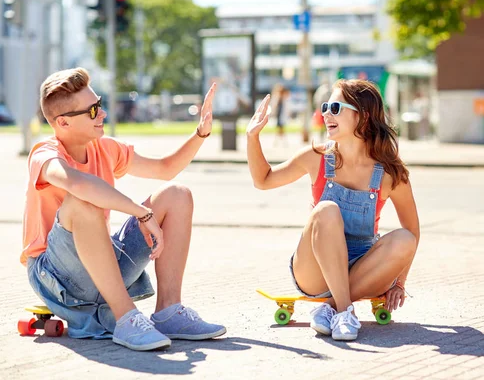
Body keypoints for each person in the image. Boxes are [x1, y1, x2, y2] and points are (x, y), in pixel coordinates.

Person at [22, 67, 226, 351]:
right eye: (92, 110)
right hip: (58, 278)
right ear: (63, 123)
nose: (102, 113)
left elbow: (165, 168)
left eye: (100, 105)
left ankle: (168, 311)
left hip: (102, 268)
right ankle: (126, 318)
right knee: (83, 201)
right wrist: (140, 213)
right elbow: (79, 184)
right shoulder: (45, 154)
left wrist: (200, 134)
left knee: (177, 194)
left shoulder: (105, 148)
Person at [246, 79, 420, 341]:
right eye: (326, 106)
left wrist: (399, 282)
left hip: (363, 268)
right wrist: (252, 137)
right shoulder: (315, 157)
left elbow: (413, 231)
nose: (326, 113)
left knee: (405, 239)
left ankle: (330, 308)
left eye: (336, 107)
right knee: (326, 210)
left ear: (364, 116)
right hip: (313, 271)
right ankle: (345, 311)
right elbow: (263, 180)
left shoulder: (389, 173)